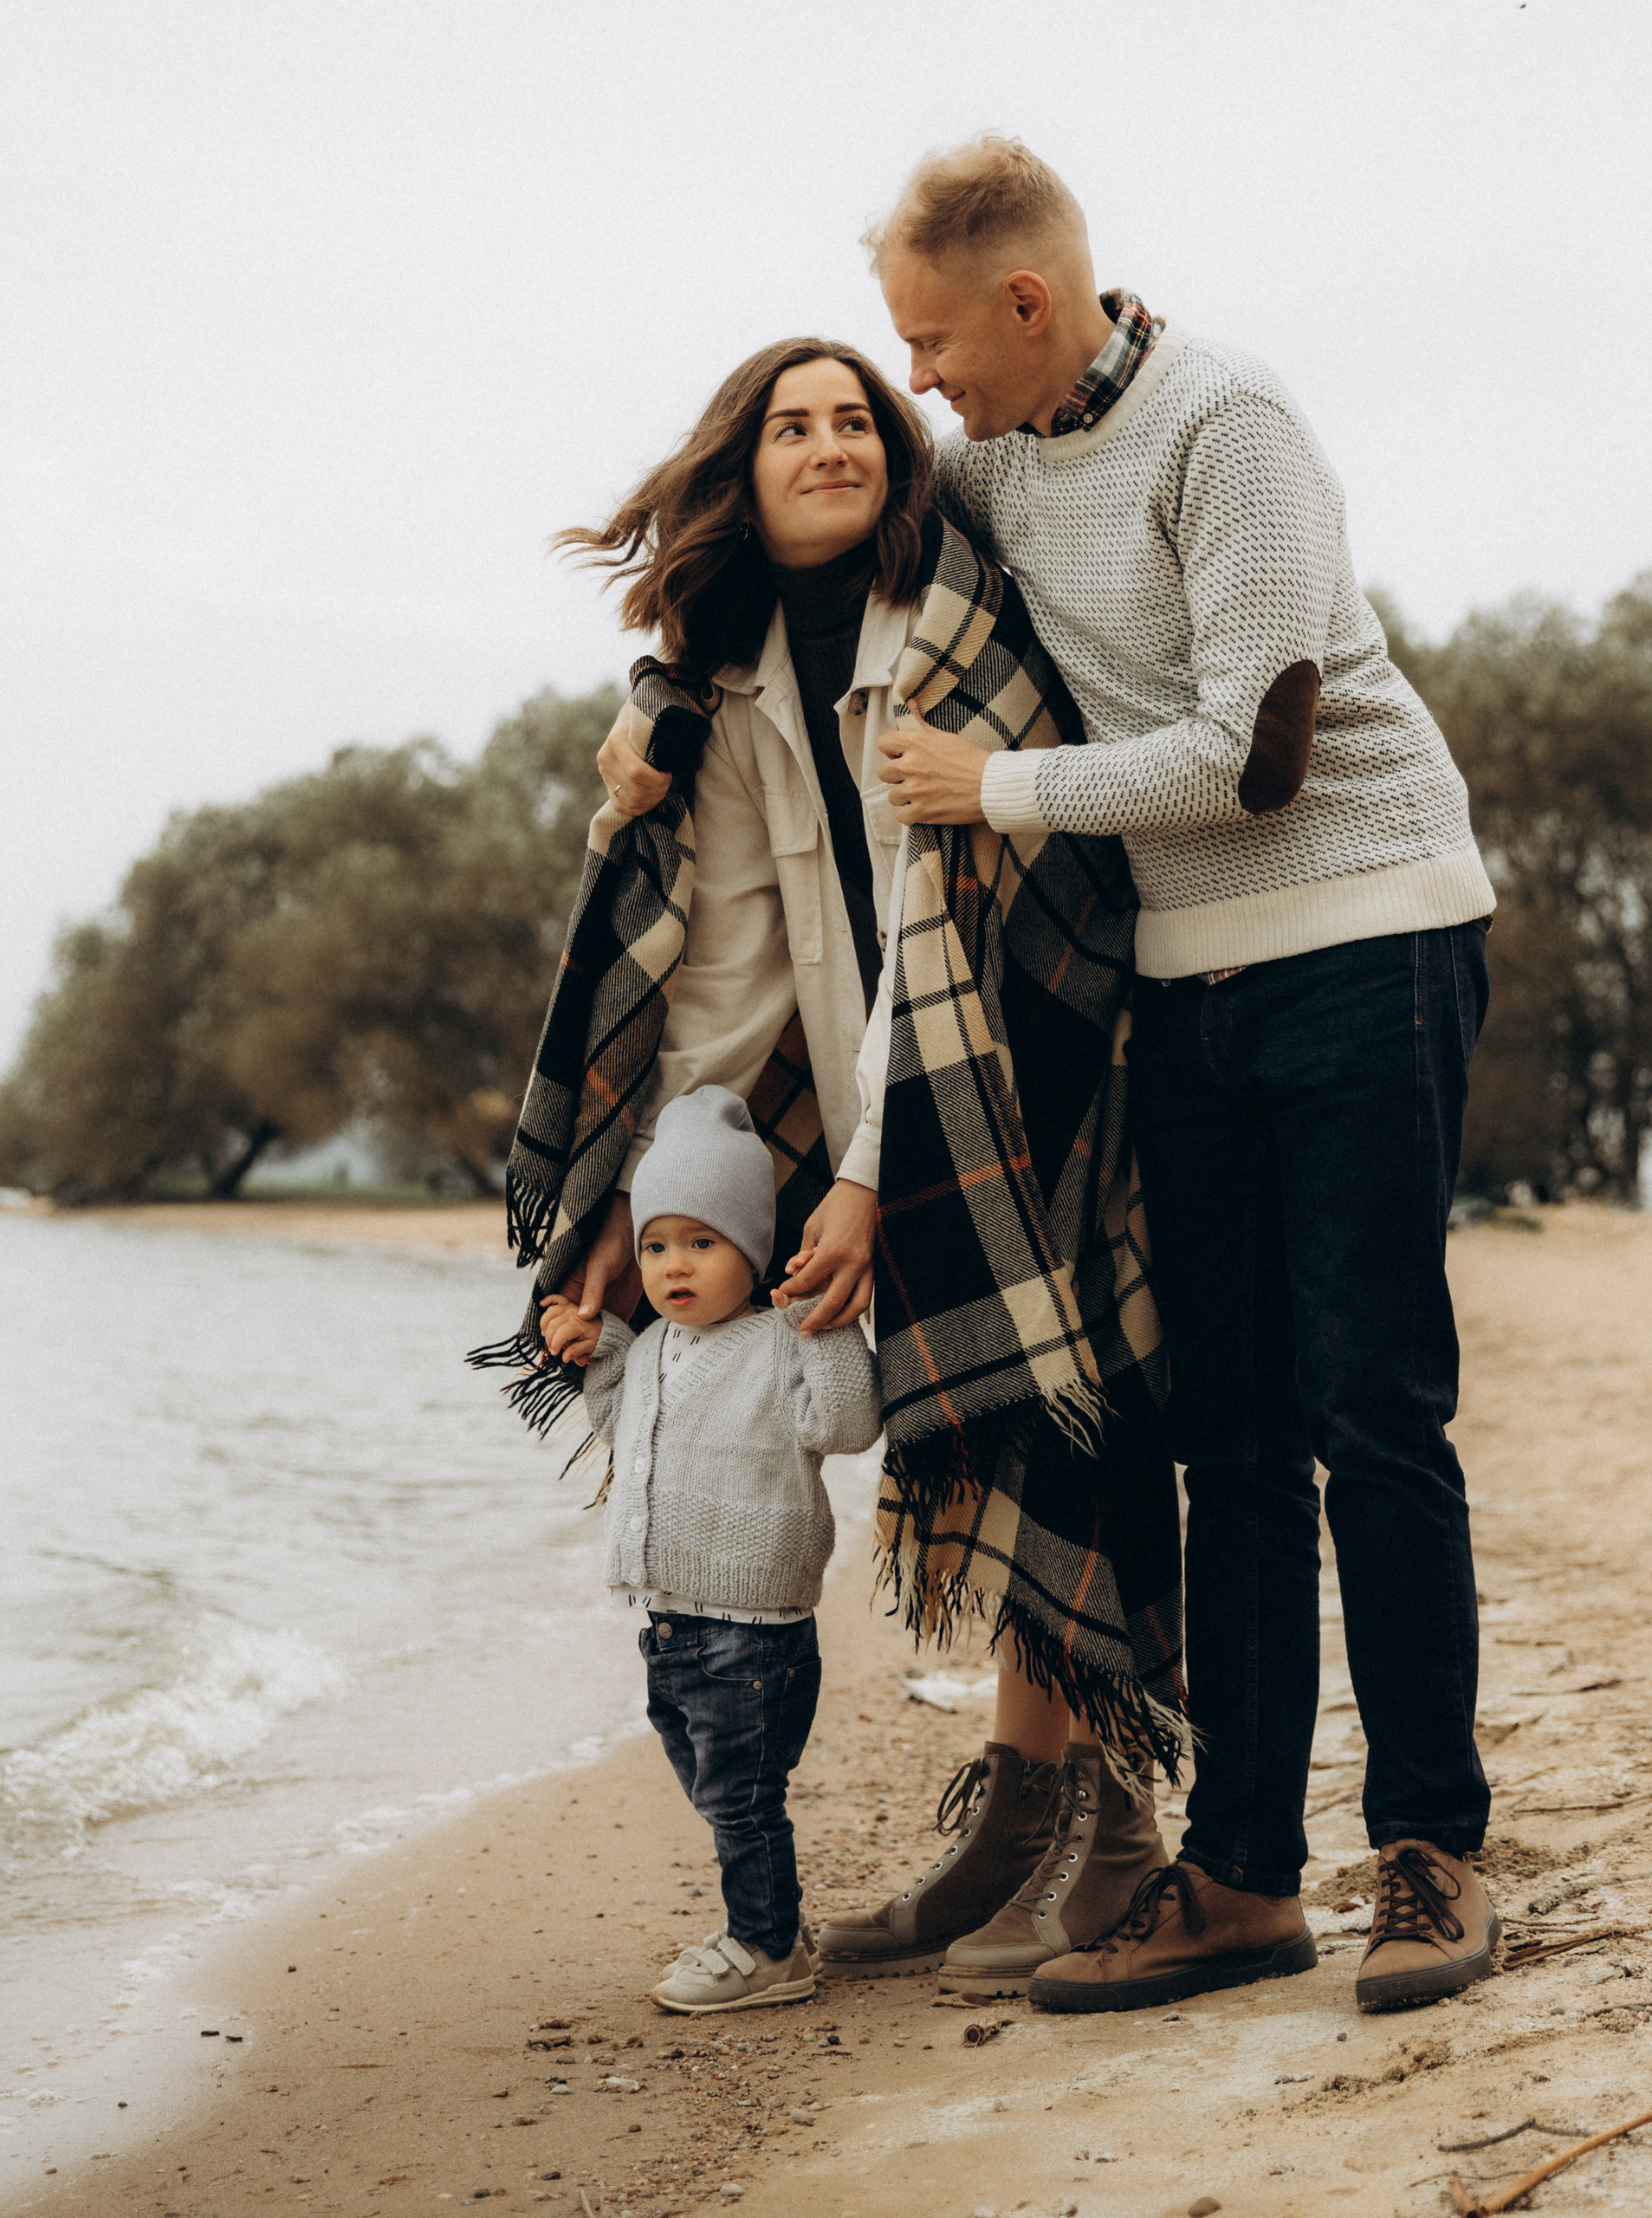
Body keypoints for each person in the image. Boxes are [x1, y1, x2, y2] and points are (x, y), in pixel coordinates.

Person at [861, 137, 1502, 2016]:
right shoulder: (989, 461)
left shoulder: (1233, 428)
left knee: (1371, 1405)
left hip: (1366, 931)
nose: (919, 382)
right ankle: (1237, 1875)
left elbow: (1254, 754)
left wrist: (1003, 791)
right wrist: (641, 740)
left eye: (932, 341)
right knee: (1227, 1430)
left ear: (1027, 303)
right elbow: (832, 575)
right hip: (1187, 977)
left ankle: (1426, 1850)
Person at [482, 336, 1184, 2007]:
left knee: (1057, 1412)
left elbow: (957, 924)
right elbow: (722, 974)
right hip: (879, 1084)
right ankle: (1022, 1822)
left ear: (894, 452)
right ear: (743, 470)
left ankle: (1121, 1829)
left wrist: (869, 1177)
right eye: (789, 426)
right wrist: (645, 1204)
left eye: (855, 417)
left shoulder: (952, 624)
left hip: (1037, 1069)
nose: (828, 444)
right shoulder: (716, 689)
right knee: (985, 1421)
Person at [548, 1086, 880, 2014]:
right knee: (710, 1783)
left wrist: (826, 1323)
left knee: (739, 1795)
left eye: (702, 1242)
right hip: (672, 1626)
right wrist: (597, 1349)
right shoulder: (654, 1347)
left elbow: (848, 1423)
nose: (672, 1265)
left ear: (755, 1249)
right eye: (655, 1245)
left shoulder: (780, 1343)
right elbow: (621, 1424)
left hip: (753, 1633)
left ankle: (766, 1943)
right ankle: (767, 1914)